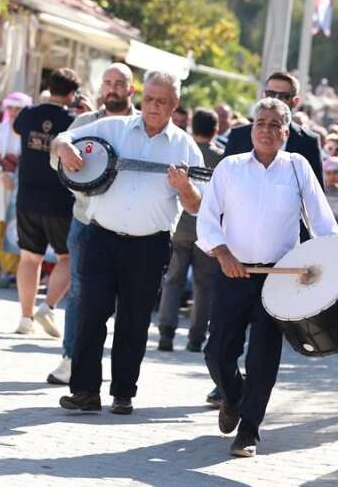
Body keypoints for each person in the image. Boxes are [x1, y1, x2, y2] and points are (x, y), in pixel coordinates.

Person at [52, 70, 204, 416]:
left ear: (174, 104)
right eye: (149, 99)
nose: (153, 106)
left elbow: (197, 205)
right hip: (101, 237)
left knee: (134, 323)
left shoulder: (185, 147)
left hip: (149, 246)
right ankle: (85, 391)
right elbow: (63, 138)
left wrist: (183, 187)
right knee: (91, 315)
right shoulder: (114, 127)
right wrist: (63, 148)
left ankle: (123, 393)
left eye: (161, 101)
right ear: (141, 97)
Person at [198, 97, 338, 457]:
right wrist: (223, 253)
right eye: (260, 122)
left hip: (279, 279)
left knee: (263, 357)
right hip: (232, 272)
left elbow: (322, 220)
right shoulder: (230, 167)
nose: (266, 130)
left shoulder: (298, 167)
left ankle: (249, 430)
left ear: (286, 132)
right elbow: (207, 218)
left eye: (275, 124)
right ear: (251, 128)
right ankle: (233, 398)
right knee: (217, 353)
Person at [47, 63, 137, 387]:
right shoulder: (85, 123)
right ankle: (71, 359)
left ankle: (122, 376)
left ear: (132, 89)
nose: (112, 88)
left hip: (132, 227)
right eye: (108, 82)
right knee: (80, 295)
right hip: (87, 220)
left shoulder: (142, 126)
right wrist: (62, 148)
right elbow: (56, 152)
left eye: (119, 83)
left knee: (126, 304)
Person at [11, 68, 80, 336]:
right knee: (69, 256)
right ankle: (48, 306)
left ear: (49, 87)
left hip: (27, 195)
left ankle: (25, 319)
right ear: (73, 93)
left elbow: (18, 130)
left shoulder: (28, 114)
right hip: (60, 199)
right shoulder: (75, 120)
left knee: (29, 257)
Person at [157, 108, 224, 353]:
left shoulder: (181, 152)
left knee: (172, 280)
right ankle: (196, 338)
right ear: (216, 130)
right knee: (204, 285)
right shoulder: (221, 158)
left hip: (179, 226)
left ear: (192, 127)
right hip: (207, 230)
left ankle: (166, 332)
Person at [223, 71, 324, 191]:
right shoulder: (238, 136)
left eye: (283, 96)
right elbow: (222, 185)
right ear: (263, 95)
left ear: (295, 102)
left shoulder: (308, 142)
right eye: (270, 94)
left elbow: (315, 193)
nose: (275, 101)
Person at [0, 93, 29, 281]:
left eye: (19, 109)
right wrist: (1, 175)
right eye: (11, 108)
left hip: (19, 184)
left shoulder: (29, 131)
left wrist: (16, 177)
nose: (14, 112)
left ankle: (8, 269)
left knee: (13, 226)